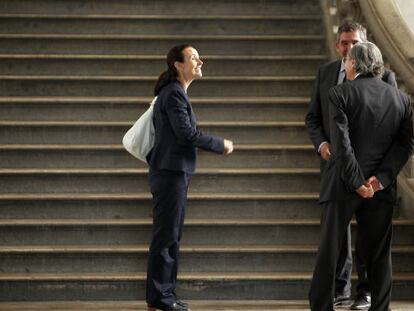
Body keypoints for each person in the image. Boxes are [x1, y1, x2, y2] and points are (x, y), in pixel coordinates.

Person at [309, 42, 414, 311]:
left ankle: (321, 307)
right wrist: (378, 180)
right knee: (379, 255)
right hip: (380, 189)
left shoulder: (339, 93)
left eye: (347, 61)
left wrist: (357, 182)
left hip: (343, 184)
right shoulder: (401, 99)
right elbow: (405, 145)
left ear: (353, 64)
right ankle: (380, 308)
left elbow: (341, 145)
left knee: (329, 250)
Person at [145, 44, 234, 311]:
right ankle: (161, 297)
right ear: (178, 64)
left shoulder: (175, 93)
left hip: (173, 173)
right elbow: (186, 134)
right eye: (194, 58)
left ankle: (165, 295)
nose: (200, 62)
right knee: (166, 236)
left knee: (170, 235)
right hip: (170, 173)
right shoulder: (173, 94)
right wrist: (220, 144)